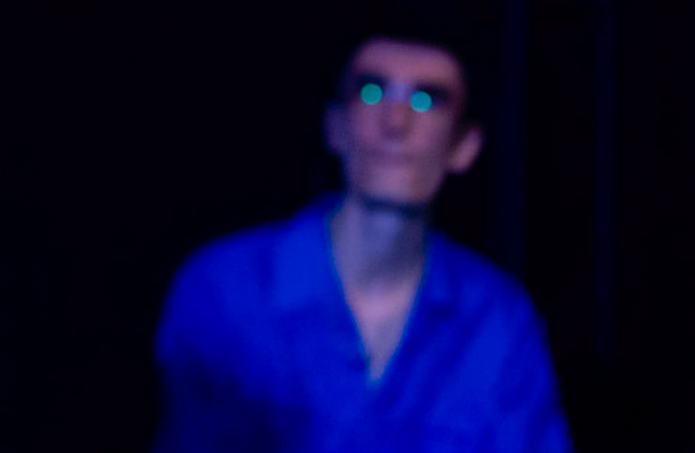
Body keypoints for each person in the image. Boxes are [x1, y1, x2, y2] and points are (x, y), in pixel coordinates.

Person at [153, 26, 574, 452]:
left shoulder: (497, 319)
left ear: (464, 145)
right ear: (335, 125)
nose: (396, 121)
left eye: (426, 99)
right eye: (373, 92)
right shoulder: (225, 289)